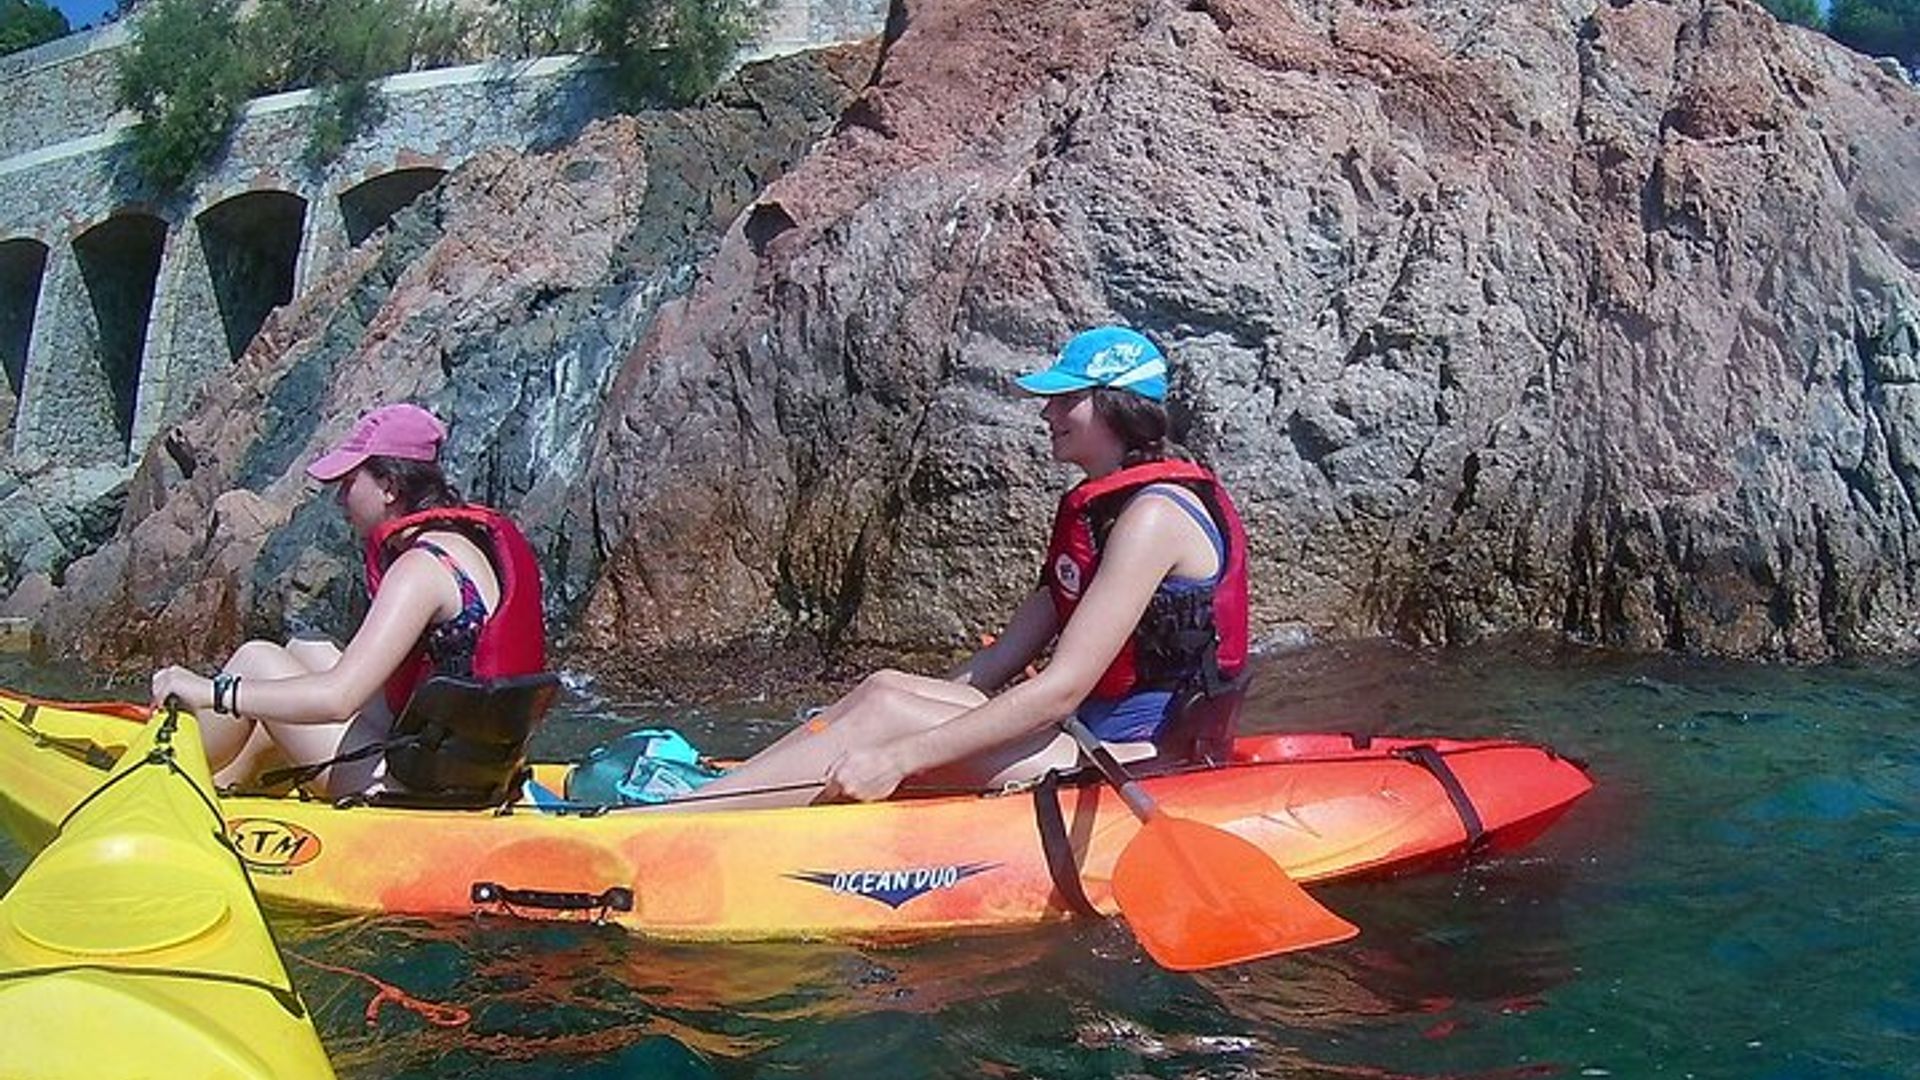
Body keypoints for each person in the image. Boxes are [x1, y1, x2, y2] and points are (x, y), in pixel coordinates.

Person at [679, 325, 1248, 810]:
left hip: (1137, 756)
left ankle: (666, 826)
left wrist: (898, 755)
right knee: (885, 692)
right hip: (1084, 732)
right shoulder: (1102, 512)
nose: (1047, 412)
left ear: (1115, 406)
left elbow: (1059, 691)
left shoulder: (1153, 516)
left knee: (890, 719)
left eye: (1064, 397)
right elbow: (996, 663)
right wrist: (883, 726)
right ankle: (715, 795)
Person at [149, 403, 546, 798]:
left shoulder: (421, 568)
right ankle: (230, 784)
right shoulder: (462, 540)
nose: (340, 499)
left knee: (256, 661)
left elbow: (339, 699)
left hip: (418, 786)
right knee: (306, 650)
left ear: (390, 486)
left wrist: (211, 692)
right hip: (467, 764)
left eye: (350, 482)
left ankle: (165, 783)